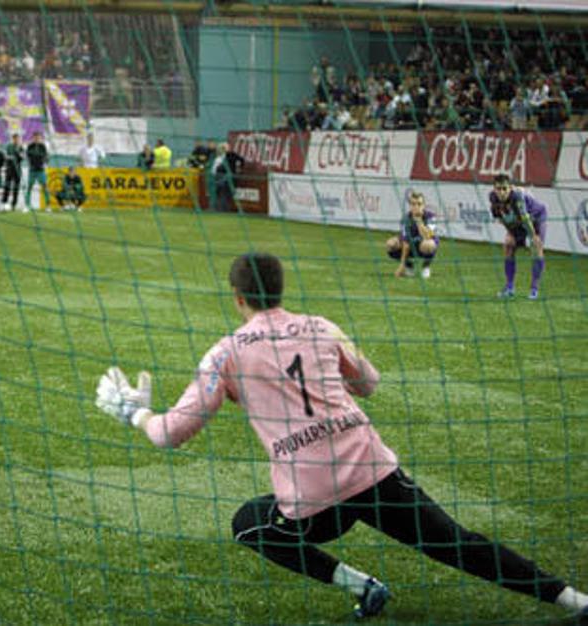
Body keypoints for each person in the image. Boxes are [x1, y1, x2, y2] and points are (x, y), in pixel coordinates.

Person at [95, 252, 588, 621]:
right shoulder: (321, 328)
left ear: (237, 297)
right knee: (458, 543)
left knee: (249, 524)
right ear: (281, 289)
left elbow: (171, 434)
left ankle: (362, 585)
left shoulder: (224, 354)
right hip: (372, 471)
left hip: (313, 501)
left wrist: (136, 414)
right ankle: (575, 600)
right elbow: (369, 383)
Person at [490, 174, 547, 300]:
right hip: (519, 221)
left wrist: (533, 236)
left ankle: (534, 289)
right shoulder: (493, 198)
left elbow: (525, 218)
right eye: (498, 189)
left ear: (510, 188)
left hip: (536, 218)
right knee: (508, 244)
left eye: (504, 188)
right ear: (494, 189)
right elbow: (501, 219)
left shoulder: (517, 197)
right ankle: (509, 288)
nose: (501, 192)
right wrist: (511, 233)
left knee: (536, 247)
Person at [386, 190, 438, 279]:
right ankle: (409, 266)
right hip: (411, 246)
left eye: (419, 204)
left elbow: (427, 236)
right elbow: (405, 243)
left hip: (424, 247)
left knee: (429, 244)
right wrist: (402, 265)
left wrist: (419, 221)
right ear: (410, 206)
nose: (416, 207)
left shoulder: (431, 217)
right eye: (413, 204)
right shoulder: (406, 219)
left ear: (424, 205)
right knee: (391, 244)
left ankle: (426, 267)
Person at [211, 142, 244, 212]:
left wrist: (239, 168)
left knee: (224, 194)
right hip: (224, 178)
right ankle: (222, 209)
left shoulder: (230, 155)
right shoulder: (221, 157)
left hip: (226, 178)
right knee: (224, 194)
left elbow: (241, 160)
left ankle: (222, 209)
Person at [25, 131, 50, 210]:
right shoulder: (30, 146)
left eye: (38, 137)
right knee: (29, 187)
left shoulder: (43, 146)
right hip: (32, 170)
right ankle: (27, 205)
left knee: (45, 187)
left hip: (41, 170)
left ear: (40, 138)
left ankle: (48, 206)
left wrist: (45, 161)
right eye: (35, 137)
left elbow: (46, 157)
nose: (37, 138)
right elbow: (27, 156)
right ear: (33, 138)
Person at [2, 133, 25, 210]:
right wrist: (10, 157)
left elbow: (22, 157)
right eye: (15, 139)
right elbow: (5, 156)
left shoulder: (21, 147)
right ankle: (4, 203)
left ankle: (14, 204)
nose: (16, 140)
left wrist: (18, 154)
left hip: (17, 170)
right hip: (9, 169)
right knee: (7, 186)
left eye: (17, 139)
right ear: (13, 139)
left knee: (16, 188)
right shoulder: (9, 147)